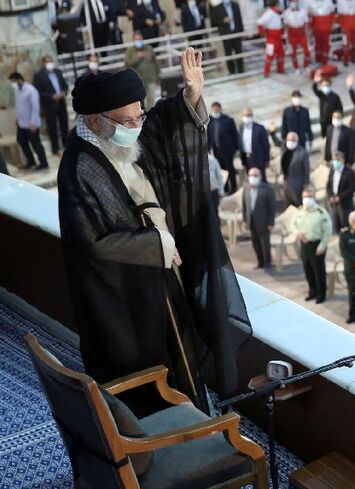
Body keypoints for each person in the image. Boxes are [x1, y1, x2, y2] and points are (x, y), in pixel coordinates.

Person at [57, 52, 250, 413]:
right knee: (158, 374)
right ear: (96, 121)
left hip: (160, 275)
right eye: (127, 120)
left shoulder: (119, 137)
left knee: (183, 360)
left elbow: (162, 128)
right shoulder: (79, 167)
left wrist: (190, 96)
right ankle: (175, 440)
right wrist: (157, 244)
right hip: (128, 299)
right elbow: (91, 242)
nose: (136, 126)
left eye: (138, 115)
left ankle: (195, 420)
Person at [294, 185, 333, 303]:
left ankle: (321, 294)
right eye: (305, 196)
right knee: (308, 270)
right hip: (304, 245)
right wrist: (298, 233)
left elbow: (327, 231)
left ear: (314, 197)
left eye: (310, 196)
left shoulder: (321, 213)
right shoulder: (300, 211)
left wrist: (322, 245)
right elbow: (293, 224)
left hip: (317, 245)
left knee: (319, 271)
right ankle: (312, 291)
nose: (307, 199)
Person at [9, 72, 49, 171]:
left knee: (36, 144)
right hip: (21, 123)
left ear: (19, 79)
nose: (13, 84)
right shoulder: (17, 90)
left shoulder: (31, 90)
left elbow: (35, 108)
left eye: (13, 81)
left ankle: (44, 163)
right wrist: (17, 118)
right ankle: (31, 161)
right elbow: (19, 106)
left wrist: (33, 122)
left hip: (32, 124)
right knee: (22, 142)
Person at [33, 56, 68, 155]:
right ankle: (55, 148)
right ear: (43, 63)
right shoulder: (39, 75)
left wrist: (63, 92)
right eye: (47, 61)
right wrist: (51, 96)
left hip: (61, 102)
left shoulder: (58, 72)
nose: (50, 63)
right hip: (49, 105)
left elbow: (65, 85)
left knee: (64, 125)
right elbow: (38, 91)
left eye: (51, 61)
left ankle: (66, 145)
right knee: (52, 127)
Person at [242, 167, 275, 269]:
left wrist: (271, 222)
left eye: (255, 175)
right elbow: (244, 206)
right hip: (251, 221)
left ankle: (267, 263)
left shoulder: (267, 189)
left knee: (265, 243)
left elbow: (272, 207)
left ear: (260, 177)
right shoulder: (246, 188)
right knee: (255, 242)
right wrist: (244, 221)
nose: (253, 177)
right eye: (251, 175)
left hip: (263, 222)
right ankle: (260, 262)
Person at [207, 102, 239, 194]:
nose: (215, 110)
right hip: (216, 151)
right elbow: (208, 135)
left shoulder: (228, 119)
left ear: (220, 108)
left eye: (217, 108)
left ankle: (233, 188)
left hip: (228, 150)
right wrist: (208, 149)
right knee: (221, 170)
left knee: (230, 169)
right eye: (213, 108)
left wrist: (236, 148)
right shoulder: (210, 121)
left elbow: (235, 135)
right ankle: (224, 188)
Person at [124, 33, 159, 109]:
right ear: (133, 40)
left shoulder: (149, 48)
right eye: (136, 40)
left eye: (139, 39)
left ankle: (151, 116)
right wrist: (138, 57)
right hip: (138, 80)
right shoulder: (130, 51)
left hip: (150, 78)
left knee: (151, 100)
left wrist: (158, 75)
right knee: (140, 102)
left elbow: (155, 62)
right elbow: (128, 64)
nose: (138, 41)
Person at [210, 0, 244, 74]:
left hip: (236, 34)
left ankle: (241, 71)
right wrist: (223, 20)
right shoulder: (217, 8)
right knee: (228, 54)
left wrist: (241, 32)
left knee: (239, 52)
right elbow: (213, 21)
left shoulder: (235, 5)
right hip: (226, 35)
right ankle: (232, 72)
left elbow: (239, 19)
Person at [326, 151, 355, 232]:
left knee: (346, 226)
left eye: (337, 160)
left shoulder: (349, 172)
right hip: (334, 204)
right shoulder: (332, 171)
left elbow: (352, 188)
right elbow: (329, 185)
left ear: (342, 160)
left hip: (345, 204)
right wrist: (330, 196)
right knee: (337, 225)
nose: (335, 162)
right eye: (334, 160)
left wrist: (340, 197)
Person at [256, 0, 285, 76]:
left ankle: (280, 69)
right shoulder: (269, 13)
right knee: (270, 55)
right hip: (271, 38)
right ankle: (266, 71)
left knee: (280, 54)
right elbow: (259, 22)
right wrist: (263, 33)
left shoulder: (277, 12)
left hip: (278, 37)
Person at [280, 132, 309, 207]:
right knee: (288, 206)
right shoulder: (284, 150)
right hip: (286, 184)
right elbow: (278, 143)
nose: (290, 142)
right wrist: (272, 133)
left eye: (293, 140)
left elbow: (306, 170)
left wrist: (306, 184)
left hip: (298, 185)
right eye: (289, 140)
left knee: (299, 205)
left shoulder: (302, 153)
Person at [237, 108, 270, 172]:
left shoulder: (259, 128)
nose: (247, 117)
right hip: (246, 158)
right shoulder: (241, 127)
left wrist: (266, 160)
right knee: (250, 178)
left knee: (260, 177)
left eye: (249, 115)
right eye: (245, 115)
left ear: (252, 116)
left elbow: (266, 145)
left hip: (258, 158)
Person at [283, 1, 310, 73]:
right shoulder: (286, 12)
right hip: (292, 33)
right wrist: (286, 36)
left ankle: (306, 65)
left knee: (307, 51)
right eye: (293, 1)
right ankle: (296, 68)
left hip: (302, 32)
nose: (294, 2)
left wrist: (307, 34)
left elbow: (306, 23)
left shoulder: (304, 11)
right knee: (293, 52)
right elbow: (286, 25)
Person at [313, 73, 343, 138]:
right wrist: (315, 82)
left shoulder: (335, 96)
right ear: (321, 86)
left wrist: (338, 117)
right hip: (323, 120)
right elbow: (315, 90)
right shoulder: (321, 95)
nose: (326, 87)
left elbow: (340, 108)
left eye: (327, 85)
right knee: (324, 137)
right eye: (324, 85)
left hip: (332, 121)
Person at [308, 0, 335, 66]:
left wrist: (332, 24)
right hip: (316, 26)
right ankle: (318, 59)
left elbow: (332, 14)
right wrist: (310, 27)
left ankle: (325, 60)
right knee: (318, 44)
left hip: (326, 25)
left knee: (326, 43)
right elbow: (309, 16)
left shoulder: (329, 1)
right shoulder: (310, 2)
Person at [336, 0, 355, 66]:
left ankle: (353, 58)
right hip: (346, 25)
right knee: (346, 44)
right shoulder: (340, 1)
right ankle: (346, 60)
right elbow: (340, 15)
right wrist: (342, 26)